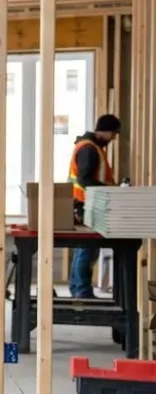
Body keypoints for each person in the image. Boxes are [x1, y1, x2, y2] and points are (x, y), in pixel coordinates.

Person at [68, 114, 121, 299]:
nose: (113, 138)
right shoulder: (89, 149)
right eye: (113, 134)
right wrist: (109, 191)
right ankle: (81, 292)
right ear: (105, 131)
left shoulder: (91, 147)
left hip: (85, 203)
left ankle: (78, 289)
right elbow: (85, 179)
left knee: (84, 249)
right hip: (86, 204)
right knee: (87, 249)